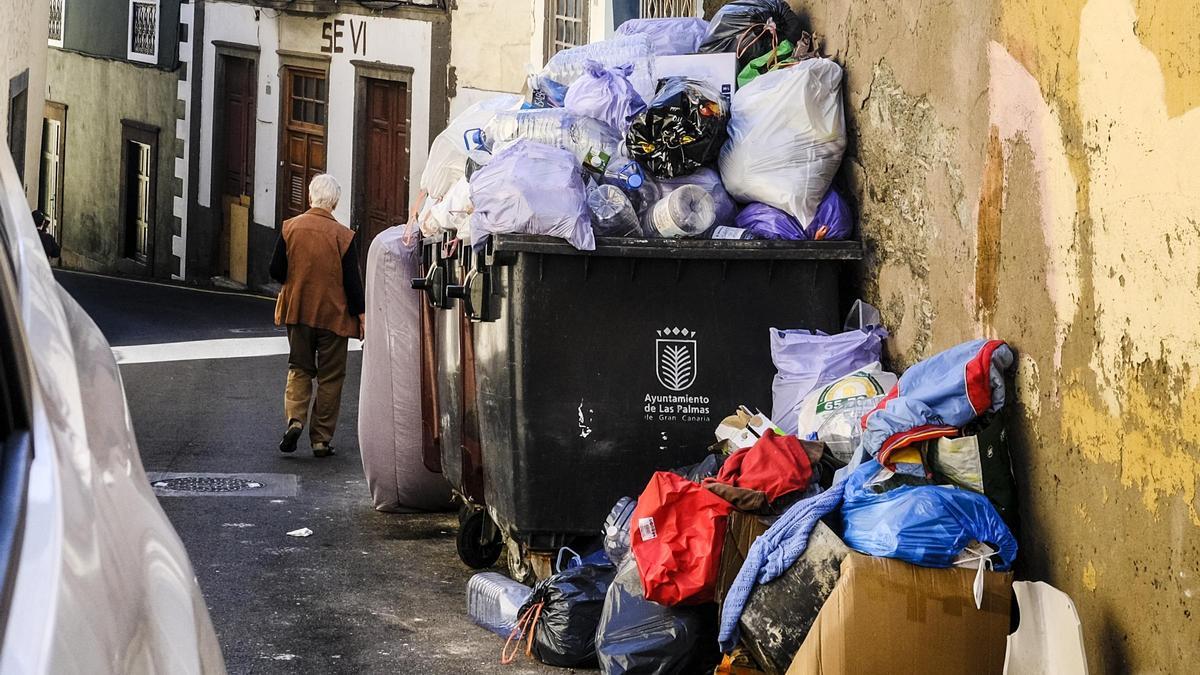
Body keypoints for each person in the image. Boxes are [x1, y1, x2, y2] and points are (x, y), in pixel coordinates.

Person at [269, 175, 365, 457]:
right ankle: (321, 440)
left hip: (298, 312)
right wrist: (361, 317)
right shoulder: (344, 236)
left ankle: (295, 419)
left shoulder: (290, 228)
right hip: (334, 317)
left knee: (299, 367)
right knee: (330, 377)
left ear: (310, 197)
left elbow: (275, 270)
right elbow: (353, 283)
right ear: (334, 202)